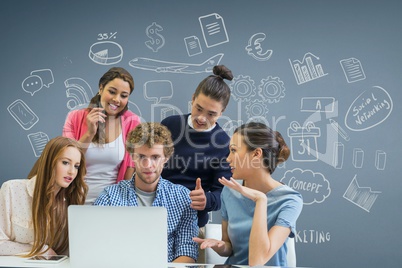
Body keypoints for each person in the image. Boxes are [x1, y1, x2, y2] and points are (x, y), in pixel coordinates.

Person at [193, 122, 303, 267]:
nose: (228, 159)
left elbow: (257, 262)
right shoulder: (229, 191)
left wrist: (260, 200)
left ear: (256, 154)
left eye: (233, 151)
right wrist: (221, 246)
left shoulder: (290, 200)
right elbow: (229, 246)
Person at [93, 122, 198, 263]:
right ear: (132, 157)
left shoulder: (182, 197)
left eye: (155, 157)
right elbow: (96, 246)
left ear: (165, 158)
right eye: (141, 157)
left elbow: (187, 251)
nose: (148, 165)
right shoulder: (109, 196)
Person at [161, 65, 233, 228]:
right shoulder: (169, 124)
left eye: (211, 114)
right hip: (155, 215)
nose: (202, 118)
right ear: (193, 98)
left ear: (222, 112)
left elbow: (222, 195)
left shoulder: (223, 145)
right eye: (198, 109)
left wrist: (206, 200)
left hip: (191, 221)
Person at [63, 67, 141, 204]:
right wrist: (89, 133)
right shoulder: (75, 117)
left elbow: (130, 169)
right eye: (112, 92)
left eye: (124, 95)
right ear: (101, 88)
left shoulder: (132, 122)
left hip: (111, 203)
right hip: (73, 199)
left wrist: (120, 203)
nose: (117, 99)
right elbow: (66, 160)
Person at [0, 136, 88, 257]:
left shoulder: (70, 203)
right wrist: (42, 250)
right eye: (66, 162)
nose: (72, 172)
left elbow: (69, 252)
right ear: (49, 161)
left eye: (76, 166)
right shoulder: (11, 190)